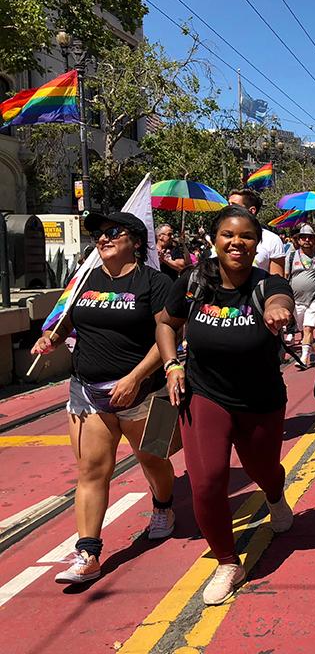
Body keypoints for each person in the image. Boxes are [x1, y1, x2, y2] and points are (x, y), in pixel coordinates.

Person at [156, 205, 295, 606]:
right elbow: (166, 323)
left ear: (257, 244)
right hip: (204, 393)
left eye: (246, 236)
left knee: (263, 469)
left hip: (260, 399)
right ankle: (226, 561)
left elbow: (279, 298)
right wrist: (171, 365)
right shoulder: (192, 283)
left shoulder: (266, 283)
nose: (237, 242)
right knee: (207, 481)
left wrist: (277, 310)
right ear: (214, 241)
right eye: (228, 235)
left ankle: (274, 493)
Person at [31, 212, 175, 585]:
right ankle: (88, 552)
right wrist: (51, 339)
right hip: (88, 392)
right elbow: (67, 323)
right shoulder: (84, 280)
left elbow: (168, 335)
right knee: (92, 471)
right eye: (98, 234)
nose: (103, 238)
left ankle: (163, 506)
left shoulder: (155, 282)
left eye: (113, 232)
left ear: (136, 241)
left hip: (145, 391)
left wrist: (134, 377)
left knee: (154, 461)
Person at [285, 224, 315, 365]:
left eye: (310, 237)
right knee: (304, 329)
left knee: (308, 327)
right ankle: (312, 351)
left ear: (314, 240)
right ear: (299, 240)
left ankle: (303, 359)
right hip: (296, 300)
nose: (307, 240)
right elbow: (286, 277)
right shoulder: (290, 256)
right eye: (303, 237)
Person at [227, 188, 286, 275]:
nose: (228, 209)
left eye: (234, 206)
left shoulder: (272, 240)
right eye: (228, 205)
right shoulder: (222, 237)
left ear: (252, 211)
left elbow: (278, 282)